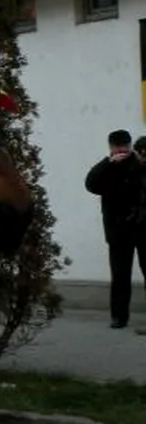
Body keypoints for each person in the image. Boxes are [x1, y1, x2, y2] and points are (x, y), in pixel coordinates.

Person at [86, 129, 146, 328]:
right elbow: (91, 184)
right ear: (111, 148)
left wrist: (137, 162)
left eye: (124, 148)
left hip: (142, 227)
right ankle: (119, 317)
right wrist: (107, 163)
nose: (120, 152)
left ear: (129, 147)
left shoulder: (139, 163)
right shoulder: (106, 168)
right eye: (116, 148)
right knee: (120, 276)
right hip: (117, 230)